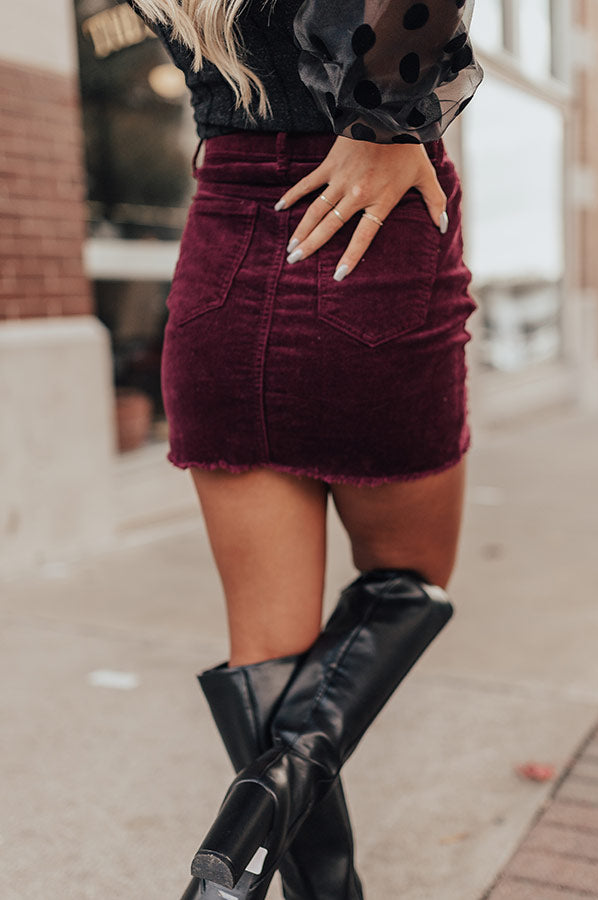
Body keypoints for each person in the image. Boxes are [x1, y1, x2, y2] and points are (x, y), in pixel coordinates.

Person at [127, 2, 483, 898]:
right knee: (406, 584)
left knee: (271, 662)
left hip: (224, 239)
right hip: (369, 224)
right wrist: (385, 121)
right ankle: (268, 794)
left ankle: (248, 849)